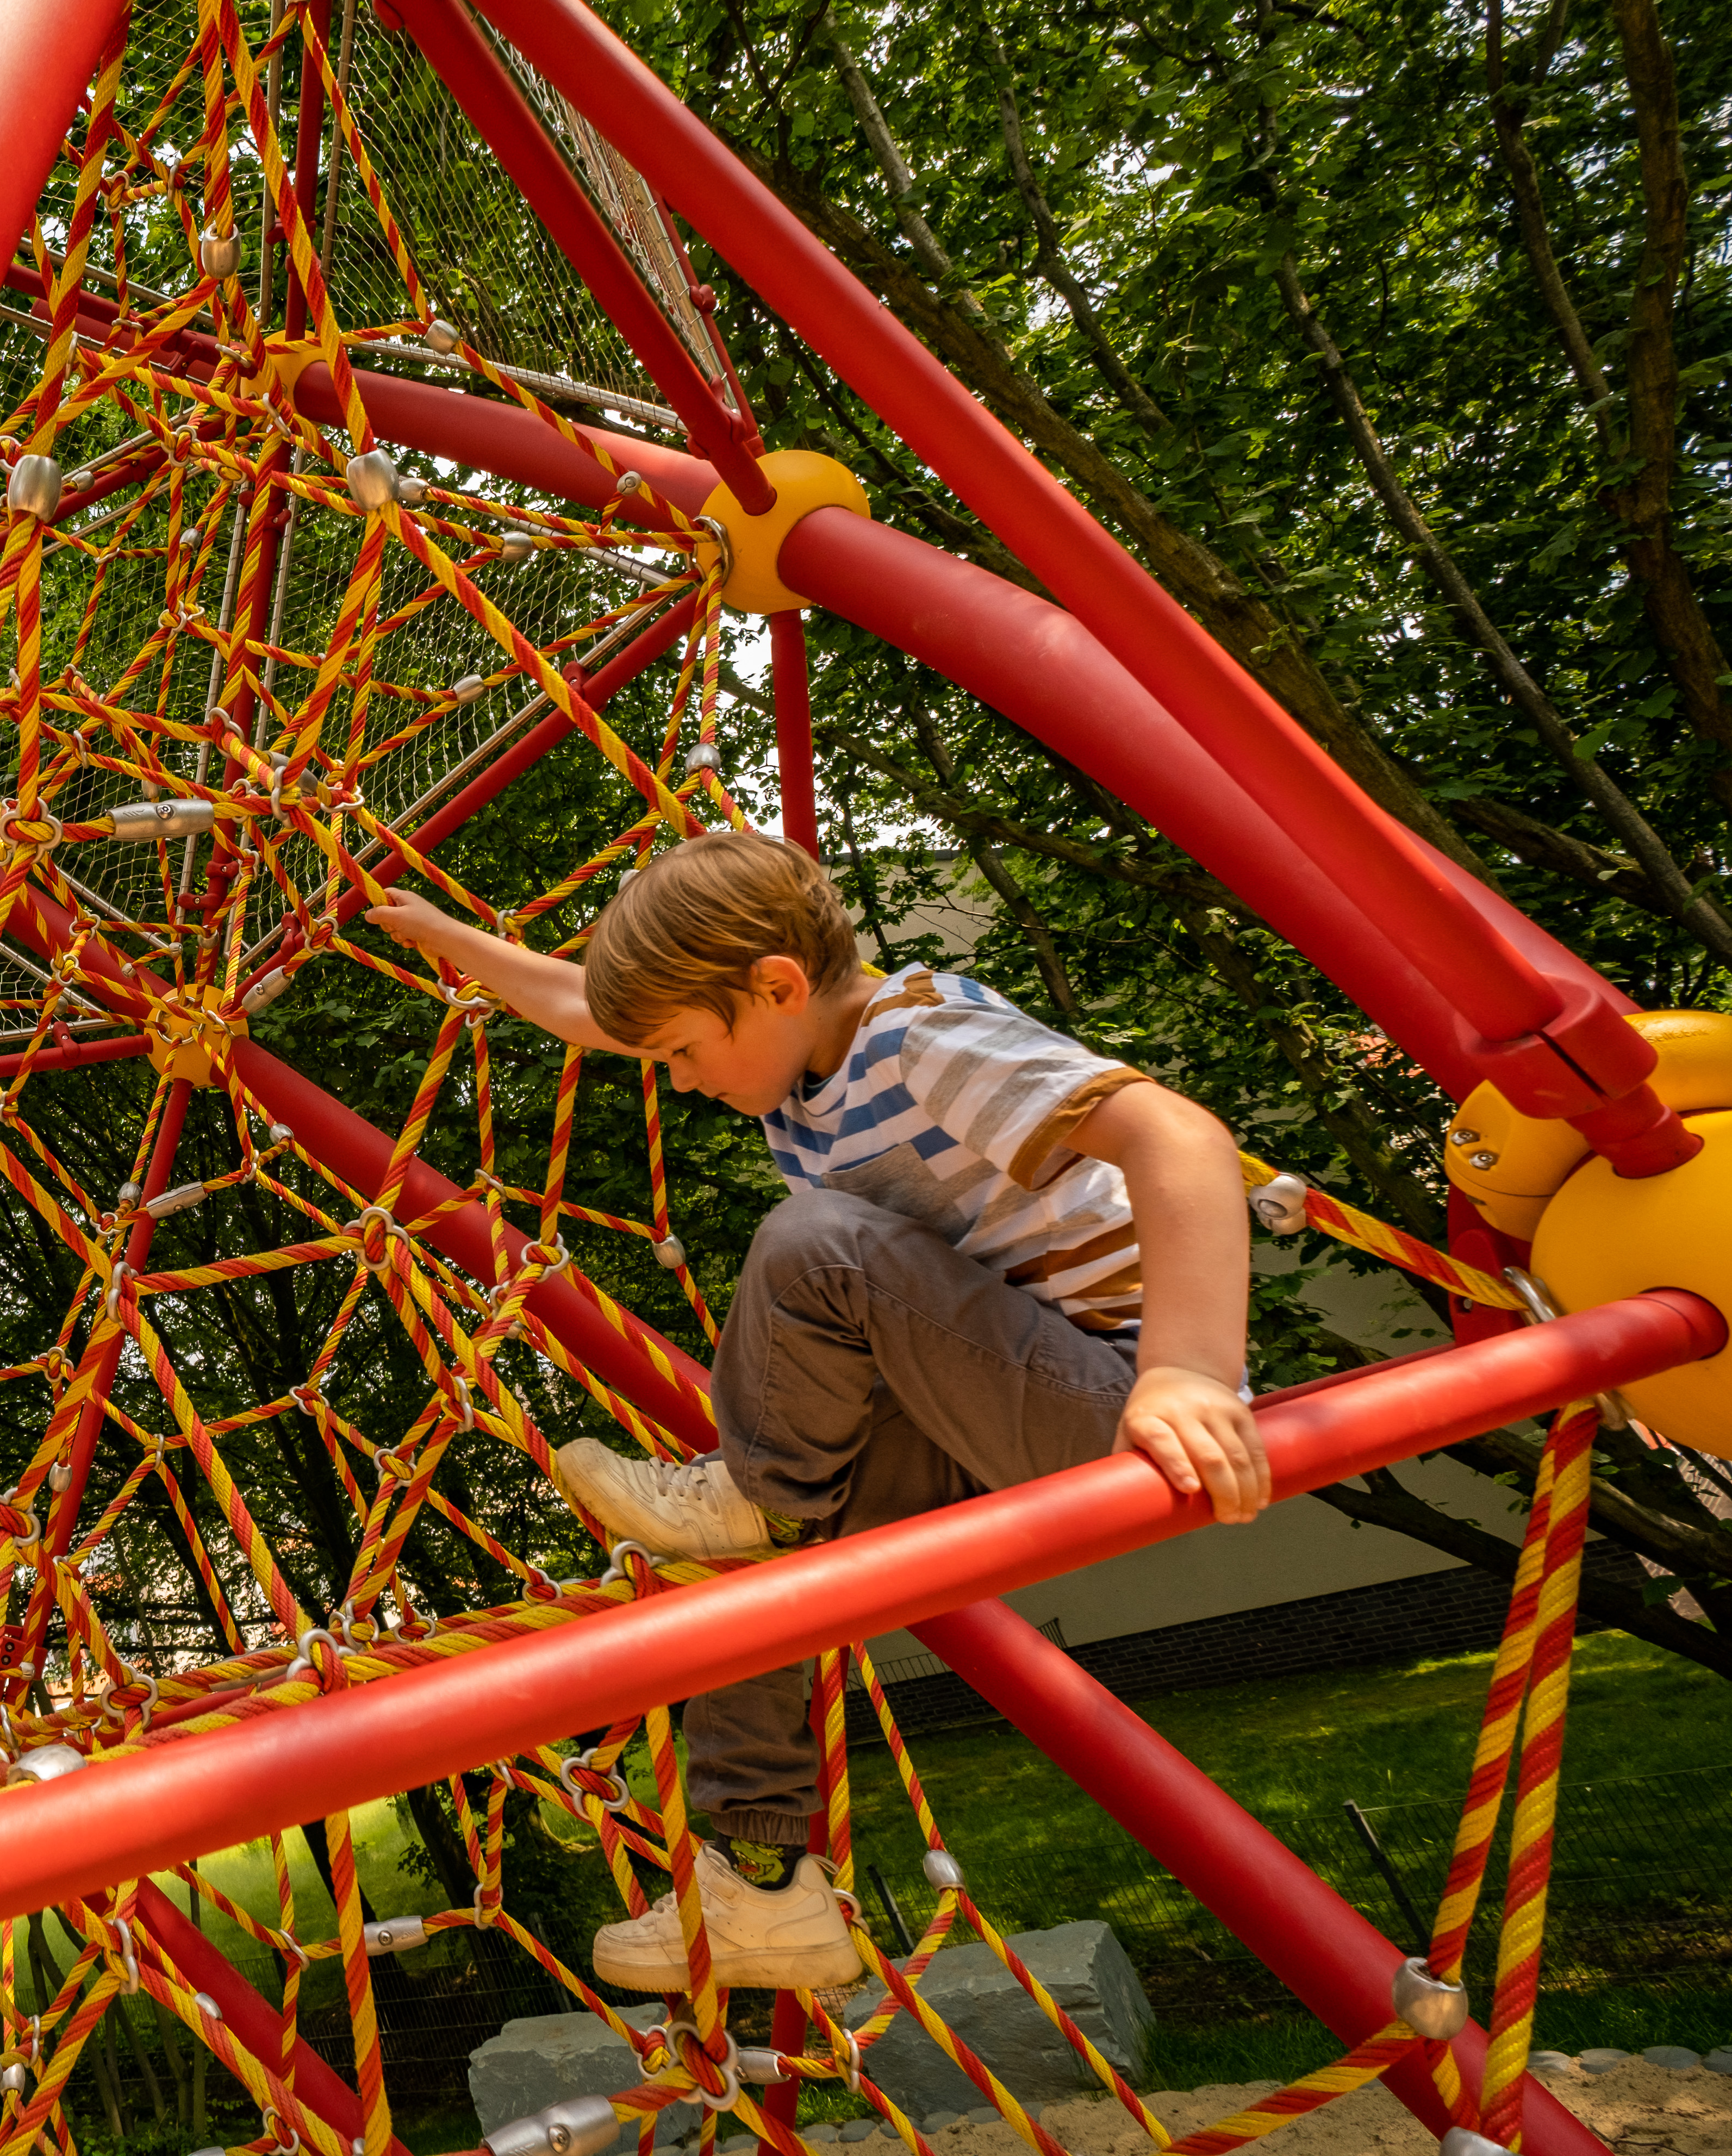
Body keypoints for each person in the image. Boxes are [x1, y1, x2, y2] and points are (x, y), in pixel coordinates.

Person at [366, 828, 1266, 1995]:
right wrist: (445, 937)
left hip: (1122, 1402)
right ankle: (763, 1887)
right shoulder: (788, 1054)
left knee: (815, 1245)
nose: (677, 1079)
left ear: (779, 986)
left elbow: (1176, 1134)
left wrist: (1189, 1372)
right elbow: (587, 1006)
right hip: (986, 1406)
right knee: (742, 1570)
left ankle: (759, 1491)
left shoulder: (918, 1040)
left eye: (683, 1051)